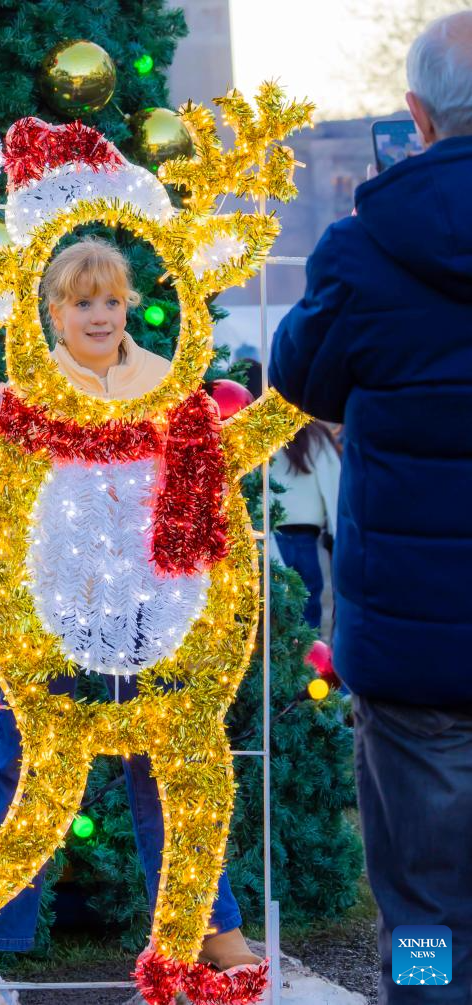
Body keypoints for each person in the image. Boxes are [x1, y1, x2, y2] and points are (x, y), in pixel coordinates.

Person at [0, 238, 261, 998]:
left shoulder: (165, 383)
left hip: (153, 614)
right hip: (50, 612)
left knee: (171, 769)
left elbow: (205, 495)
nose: (99, 314)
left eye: (112, 299)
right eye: (83, 301)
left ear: (129, 306)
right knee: (12, 768)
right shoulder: (29, 389)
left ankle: (211, 929)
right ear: (54, 311)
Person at [268, 11, 472, 1004]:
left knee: (424, 901)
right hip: (412, 643)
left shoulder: (362, 248)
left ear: (416, 115)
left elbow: (300, 374)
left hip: (414, 647)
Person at [272, 422, 340, 630]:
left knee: (277, 614)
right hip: (307, 541)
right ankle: (309, 660)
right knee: (309, 614)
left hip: (274, 539)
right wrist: (339, 537)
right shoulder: (318, 438)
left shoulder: (269, 435)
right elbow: (335, 486)